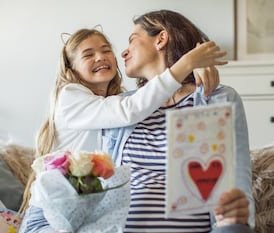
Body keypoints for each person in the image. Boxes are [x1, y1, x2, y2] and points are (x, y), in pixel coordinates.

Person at [19, 26, 227, 232]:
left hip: (85, 212)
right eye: (88, 54)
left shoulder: (116, 102)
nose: (100, 57)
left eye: (106, 50)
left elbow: (142, 102)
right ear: (71, 69)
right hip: (50, 214)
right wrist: (187, 64)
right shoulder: (70, 96)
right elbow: (132, 109)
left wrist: (195, 73)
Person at [102, 10, 254, 233]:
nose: (124, 52)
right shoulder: (119, 107)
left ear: (161, 39)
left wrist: (236, 218)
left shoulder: (219, 98)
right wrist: (191, 62)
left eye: (132, 40)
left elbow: (238, 178)